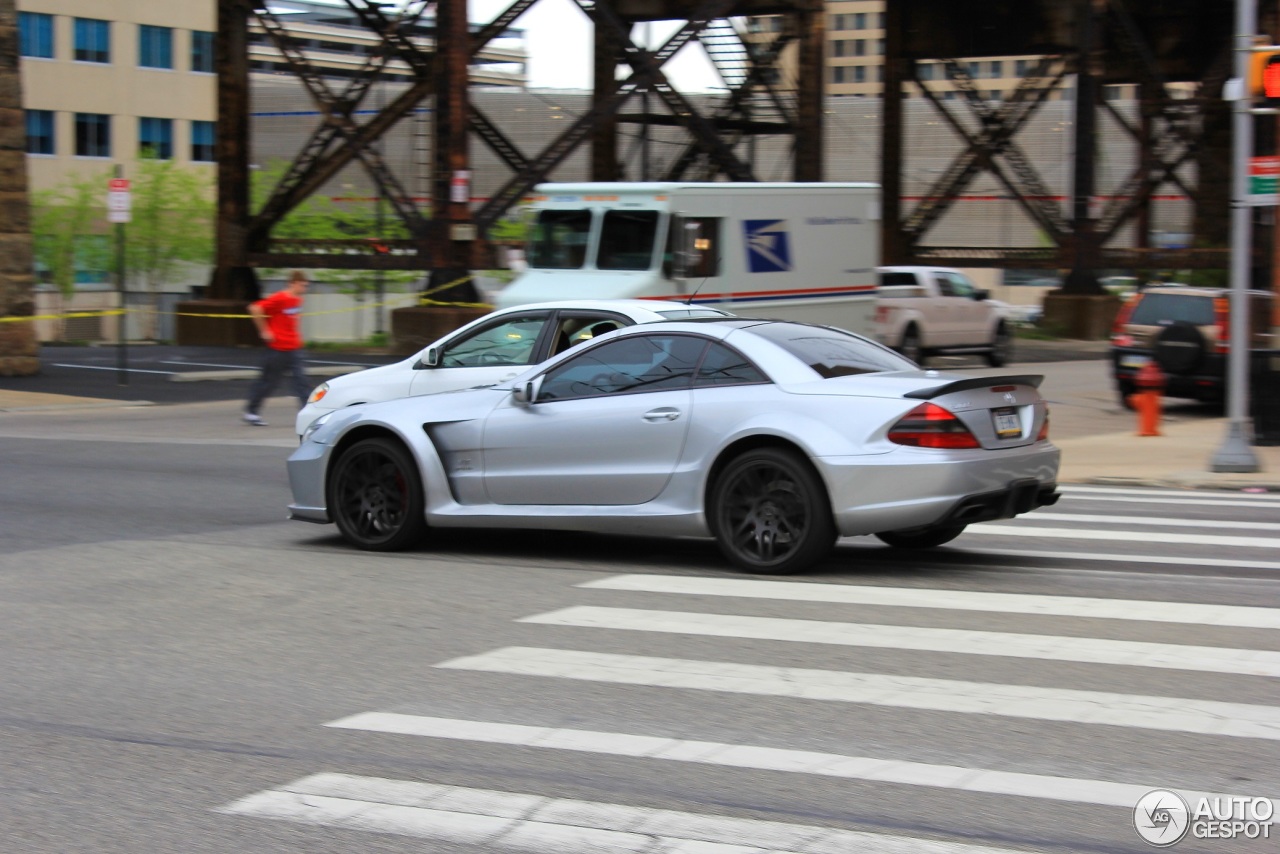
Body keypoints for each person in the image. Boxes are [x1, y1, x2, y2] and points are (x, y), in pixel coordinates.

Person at [243, 270, 311, 426]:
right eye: (303, 285)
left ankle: (308, 416)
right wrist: (264, 330)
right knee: (268, 382)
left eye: (306, 286)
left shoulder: (298, 300)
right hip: (277, 348)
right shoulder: (280, 297)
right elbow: (255, 308)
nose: (304, 289)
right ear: (293, 283)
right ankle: (251, 412)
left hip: (294, 348)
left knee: (301, 382)